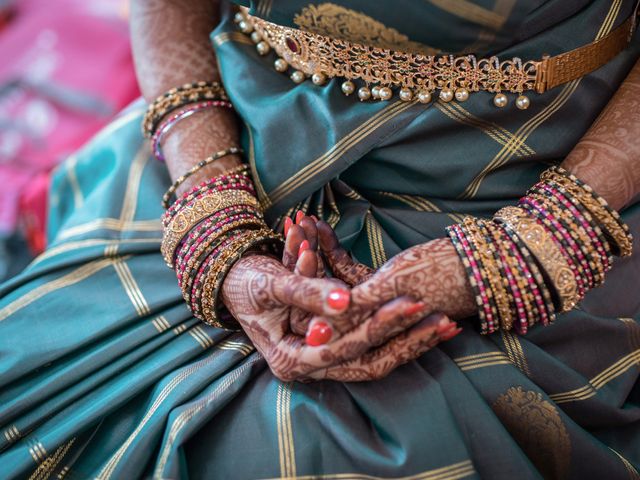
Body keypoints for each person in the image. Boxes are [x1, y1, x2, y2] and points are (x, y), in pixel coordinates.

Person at [1, 0, 639, 478]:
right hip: (223, 138)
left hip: (540, 174)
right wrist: (210, 210)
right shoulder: (205, 181)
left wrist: (539, 244)